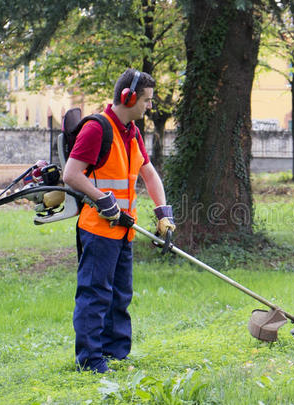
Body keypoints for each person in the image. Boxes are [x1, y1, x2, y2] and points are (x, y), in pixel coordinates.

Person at [63, 68, 175, 373]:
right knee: (95, 295)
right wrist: (102, 197)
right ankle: (90, 360)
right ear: (128, 97)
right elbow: (71, 174)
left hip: (124, 230)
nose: (150, 106)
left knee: (120, 296)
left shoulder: (132, 132)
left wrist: (163, 213)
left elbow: (148, 174)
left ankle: (116, 353)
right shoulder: (97, 129)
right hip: (99, 230)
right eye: (147, 100)